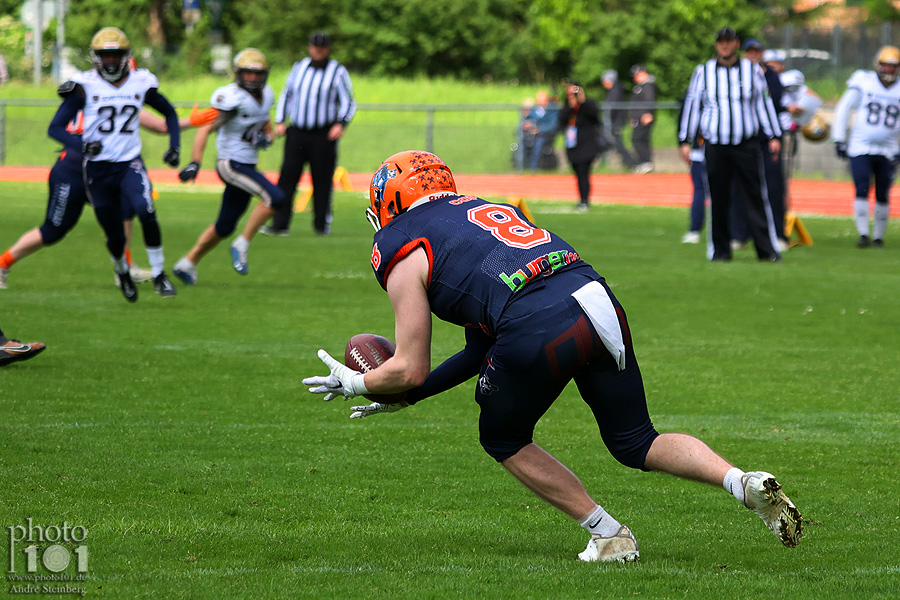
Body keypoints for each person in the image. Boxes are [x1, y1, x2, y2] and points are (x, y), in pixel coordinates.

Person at [302, 150, 803, 562]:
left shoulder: (398, 242)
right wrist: (409, 396)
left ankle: (609, 535)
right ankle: (741, 481)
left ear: (389, 200)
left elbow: (409, 366)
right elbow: (477, 349)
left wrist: (358, 382)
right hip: (594, 297)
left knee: (503, 436)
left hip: (535, 320)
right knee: (637, 440)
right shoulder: (483, 209)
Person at [0, 107, 215, 291]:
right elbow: (160, 126)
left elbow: (159, 125)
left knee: (128, 205)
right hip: (73, 172)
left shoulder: (109, 91)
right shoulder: (100, 93)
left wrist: (191, 121)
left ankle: (125, 267)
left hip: (102, 171)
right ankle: (3, 263)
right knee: (53, 230)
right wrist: (191, 121)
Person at [46, 27, 181, 302]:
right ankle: (122, 272)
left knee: (146, 210)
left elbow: (169, 112)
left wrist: (175, 146)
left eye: (115, 55)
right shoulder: (84, 85)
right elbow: (55, 128)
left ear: (126, 56)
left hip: (129, 163)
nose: (110, 61)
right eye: (105, 55)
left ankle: (159, 274)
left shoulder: (141, 82)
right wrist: (81, 145)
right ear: (96, 57)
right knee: (115, 236)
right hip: (97, 169)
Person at [172, 49, 284, 285]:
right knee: (276, 198)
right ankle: (242, 243)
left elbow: (267, 127)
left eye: (257, 73)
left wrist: (267, 139)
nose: (252, 78)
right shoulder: (232, 98)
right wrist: (195, 161)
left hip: (247, 164)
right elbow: (205, 128)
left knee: (224, 225)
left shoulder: (266, 95)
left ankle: (187, 263)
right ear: (238, 74)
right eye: (247, 73)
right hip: (231, 164)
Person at [678, 27, 783, 262]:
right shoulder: (703, 71)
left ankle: (767, 250)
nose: (724, 45)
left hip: (746, 144)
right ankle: (720, 251)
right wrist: (685, 139)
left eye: (728, 41)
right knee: (718, 198)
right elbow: (693, 106)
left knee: (755, 196)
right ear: (716, 45)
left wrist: (774, 135)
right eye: (720, 42)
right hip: (716, 145)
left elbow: (763, 104)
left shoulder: (751, 70)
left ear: (736, 44)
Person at [262, 31, 356, 237]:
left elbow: (348, 102)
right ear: (310, 47)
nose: (318, 50)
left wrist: (341, 124)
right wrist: (280, 120)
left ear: (327, 49)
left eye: (322, 47)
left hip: (323, 134)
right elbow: (287, 94)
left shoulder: (337, 71)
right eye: (315, 46)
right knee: (287, 177)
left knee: (322, 180)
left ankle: (321, 225)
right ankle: (280, 224)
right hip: (297, 132)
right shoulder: (299, 67)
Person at [832, 45, 900, 248]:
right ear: (878, 65)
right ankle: (863, 234)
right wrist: (839, 138)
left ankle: (878, 236)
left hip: (889, 148)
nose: (889, 70)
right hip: (860, 145)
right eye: (886, 65)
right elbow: (843, 108)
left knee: (882, 193)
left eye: (893, 66)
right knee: (861, 186)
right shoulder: (863, 81)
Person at [735, 38, 789, 252]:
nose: (753, 55)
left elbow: (774, 105)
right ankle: (740, 234)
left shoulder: (770, 76)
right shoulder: (735, 74)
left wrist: (775, 136)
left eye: (756, 51)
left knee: (773, 187)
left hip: (767, 139)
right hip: (742, 139)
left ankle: (778, 234)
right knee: (739, 187)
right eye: (749, 51)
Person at [558, 82, 602, 211]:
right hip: (573, 145)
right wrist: (570, 106)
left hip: (587, 145)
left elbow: (595, 117)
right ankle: (582, 199)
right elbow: (561, 121)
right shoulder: (567, 108)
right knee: (578, 173)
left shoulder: (587, 105)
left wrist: (582, 100)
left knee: (584, 173)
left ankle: (584, 200)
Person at [600, 70, 637, 171]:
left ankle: (631, 164)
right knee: (611, 142)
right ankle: (629, 163)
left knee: (617, 143)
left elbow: (611, 109)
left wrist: (608, 121)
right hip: (614, 122)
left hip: (615, 122)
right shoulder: (615, 90)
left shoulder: (615, 91)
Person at [629, 65, 657, 174]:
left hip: (644, 118)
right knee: (638, 139)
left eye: (638, 74)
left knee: (638, 139)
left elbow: (649, 100)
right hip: (638, 118)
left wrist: (647, 113)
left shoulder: (648, 85)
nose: (636, 77)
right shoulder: (640, 86)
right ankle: (643, 162)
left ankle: (646, 162)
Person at [526, 90, 558, 171]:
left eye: (542, 101)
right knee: (521, 141)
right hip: (530, 134)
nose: (540, 103)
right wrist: (527, 125)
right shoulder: (534, 110)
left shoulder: (552, 110)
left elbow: (552, 126)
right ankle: (521, 165)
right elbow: (527, 120)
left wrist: (539, 130)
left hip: (545, 135)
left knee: (538, 142)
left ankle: (533, 168)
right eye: (538, 101)